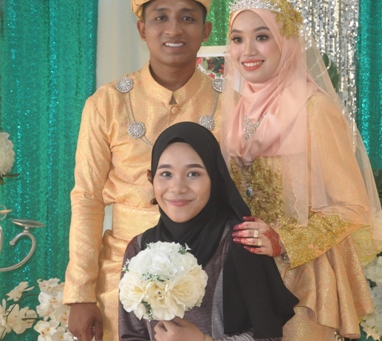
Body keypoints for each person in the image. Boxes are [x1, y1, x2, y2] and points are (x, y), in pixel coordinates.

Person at [65, 0, 224, 341]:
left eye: (187, 18)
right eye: (160, 18)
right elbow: (87, 198)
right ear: (142, 29)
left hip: (210, 271)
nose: (173, 30)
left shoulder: (231, 103)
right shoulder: (107, 103)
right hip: (122, 275)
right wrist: (80, 292)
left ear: (205, 30)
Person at [220, 0, 382, 340]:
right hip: (246, 277)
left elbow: (352, 207)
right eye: (237, 39)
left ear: (287, 42)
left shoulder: (314, 109)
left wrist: (284, 240)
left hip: (304, 279)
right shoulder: (234, 113)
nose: (247, 51)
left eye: (262, 37)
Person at [119, 122, 298, 341]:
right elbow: (132, 335)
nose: (178, 187)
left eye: (193, 173)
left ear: (215, 178)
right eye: (166, 173)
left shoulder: (239, 240)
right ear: (151, 178)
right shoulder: (139, 249)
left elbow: (268, 337)